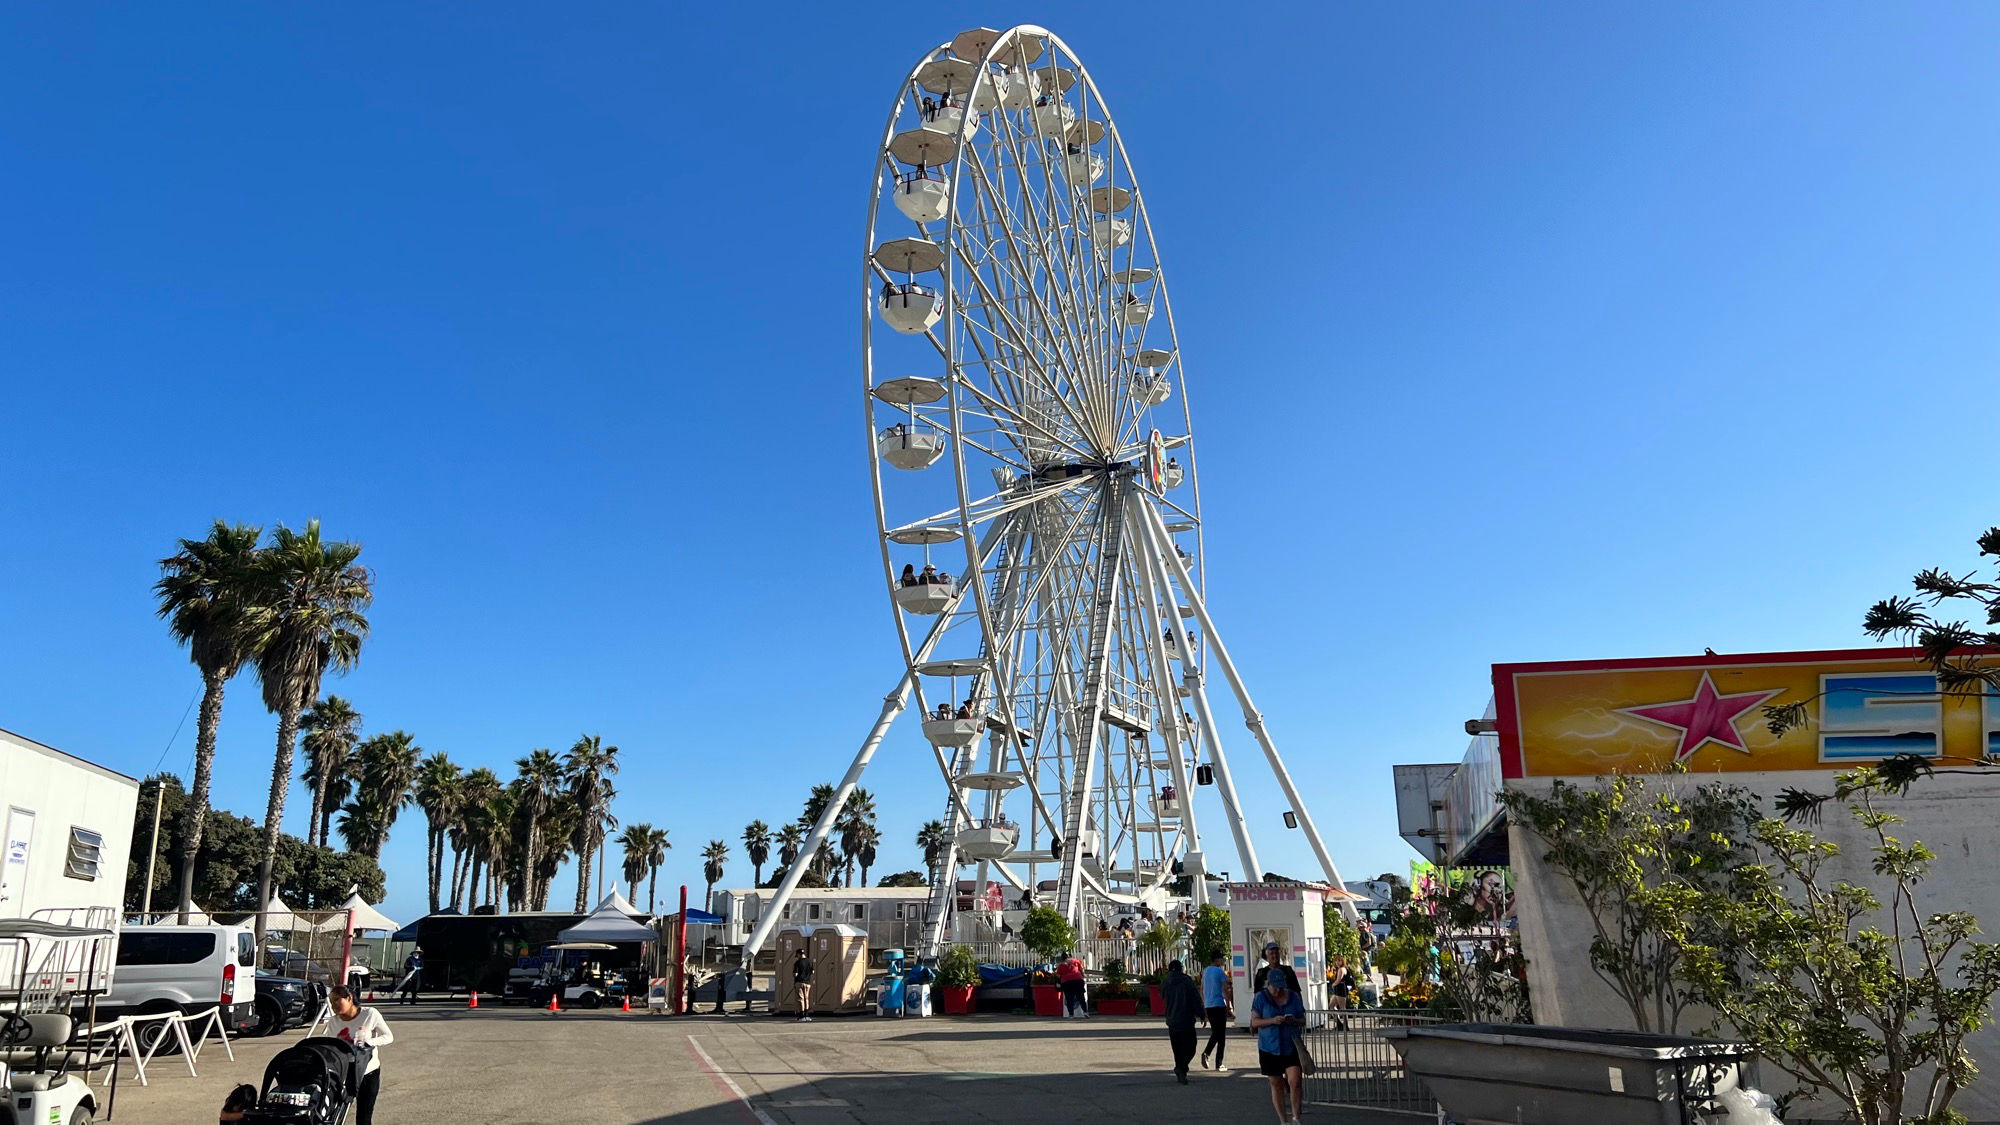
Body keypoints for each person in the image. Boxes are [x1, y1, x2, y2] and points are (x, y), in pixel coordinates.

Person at [327, 984, 393, 1125]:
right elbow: (330, 1045)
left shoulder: (370, 1014)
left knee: (363, 1117)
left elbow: (388, 1037)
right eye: (331, 1001)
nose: (333, 1005)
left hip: (368, 1072)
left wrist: (369, 1042)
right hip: (343, 1072)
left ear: (349, 998)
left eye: (337, 1000)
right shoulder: (333, 1021)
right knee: (334, 1113)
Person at [1250, 972, 1307, 1125]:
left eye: (1281, 987)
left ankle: (1296, 1118)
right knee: (1276, 1083)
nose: (1278, 991)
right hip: (1269, 1046)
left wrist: (1294, 1020)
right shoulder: (1261, 998)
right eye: (1275, 987)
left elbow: (1303, 1020)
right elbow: (1254, 1022)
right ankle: (1284, 1121)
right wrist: (1272, 1020)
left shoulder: (1293, 996)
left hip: (1290, 1044)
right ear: (1268, 984)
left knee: (1295, 1081)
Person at [1160, 959, 1203, 1084]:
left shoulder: (1165, 982)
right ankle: (1181, 1068)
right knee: (1191, 1047)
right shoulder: (1186, 981)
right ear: (1181, 968)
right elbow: (1195, 999)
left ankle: (1181, 1070)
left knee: (1177, 1049)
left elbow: (1162, 996)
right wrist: (1201, 1014)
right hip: (1186, 1020)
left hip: (1172, 1020)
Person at [1199, 951, 1233, 1072]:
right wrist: (1229, 1006)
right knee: (1220, 1034)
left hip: (1209, 1005)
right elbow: (1226, 989)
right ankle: (1217, 1061)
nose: (1223, 961)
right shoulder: (1219, 972)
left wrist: (1205, 1003)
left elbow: (1201, 989)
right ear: (1217, 960)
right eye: (1222, 959)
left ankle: (1209, 1055)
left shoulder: (1206, 971)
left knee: (1216, 1032)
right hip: (1219, 1004)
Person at [1055, 950, 1087, 1018]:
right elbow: (1081, 971)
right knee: (1081, 997)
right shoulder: (1077, 961)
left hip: (1067, 983)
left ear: (1063, 958)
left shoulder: (1061, 965)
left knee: (1069, 998)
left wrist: (1058, 983)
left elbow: (1058, 976)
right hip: (1078, 981)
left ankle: (1071, 1014)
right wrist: (1082, 978)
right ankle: (1085, 1012)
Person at [1329, 955, 1356, 1030]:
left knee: (1342, 1008)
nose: (1337, 962)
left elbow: (1339, 980)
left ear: (1342, 961)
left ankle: (1345, 1025)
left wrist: (1333, 984)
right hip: (1338, 990)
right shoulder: (1339, 969)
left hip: (1341, 989)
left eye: (1339, 960)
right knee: (1331, 1005)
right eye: (1336, 961)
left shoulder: (1342, 969)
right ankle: (1338, 1023)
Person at [792, 948, 815, 1022]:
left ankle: (801, 1015)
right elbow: (813, 972)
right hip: (807, 983)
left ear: (798, 954)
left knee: (800, 999)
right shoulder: (810, 962)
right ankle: (807, 1014)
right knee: (806, 998)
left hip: (799, 982)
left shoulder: (797, 963)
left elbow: (795, 974)